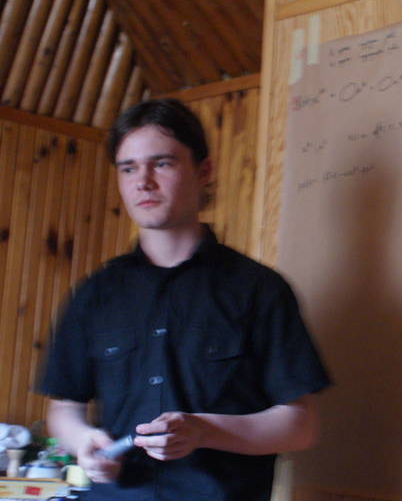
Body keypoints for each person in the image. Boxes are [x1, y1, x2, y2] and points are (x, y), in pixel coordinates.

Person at [38, 99, 330, 500]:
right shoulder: (94, 293)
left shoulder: (260, 289)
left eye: (161, 163)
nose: (143, 181)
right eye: (128, 168)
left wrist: (205, 430)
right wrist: (83, 440)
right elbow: (64, 408)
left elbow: (301, 426)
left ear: (203, 171)